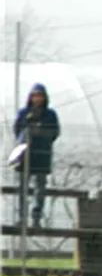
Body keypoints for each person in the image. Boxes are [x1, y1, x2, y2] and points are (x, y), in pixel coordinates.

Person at [12, 83, 60, 228]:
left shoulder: (50, 115)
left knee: (40, 187)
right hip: (25, 155)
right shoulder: (24, 113)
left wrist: (41, 134)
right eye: (35, 96)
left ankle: (36, 217)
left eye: (40, 96)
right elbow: (18, 130)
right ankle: (21, 216)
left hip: (42, 155)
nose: (37, 99)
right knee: (22, 188)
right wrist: (28, 134)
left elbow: (54, 132)